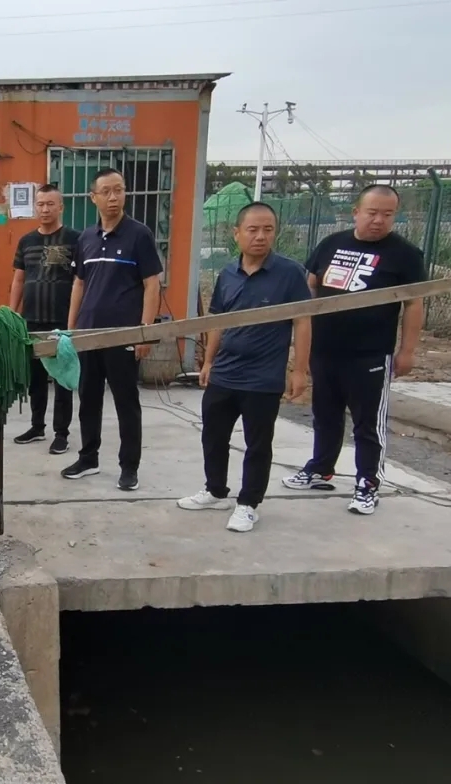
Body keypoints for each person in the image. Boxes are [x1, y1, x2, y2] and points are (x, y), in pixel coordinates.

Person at [282, 184, 427, 514]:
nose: (378, 220)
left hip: (370, 354)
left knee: (367, 422)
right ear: (356, 212)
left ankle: (368, 482)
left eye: (387, 214)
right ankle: (320, 468)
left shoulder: (404, 254)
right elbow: (310, 287)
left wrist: (407, 351)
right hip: (326, 348)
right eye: (372, 212)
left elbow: (414, 304)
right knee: (325, 414)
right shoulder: (332, 244)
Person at [177, 202, 312, 532]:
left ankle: (249, 503)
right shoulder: (227, 273)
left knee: (258, 443)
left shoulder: (290, 273)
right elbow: (217, 322)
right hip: (225, 372)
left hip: (263, 377)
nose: (260, 236)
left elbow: (303, 321)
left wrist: (299, 370)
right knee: (213, 435)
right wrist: (208, 361)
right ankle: (215, 490)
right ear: (236, 234)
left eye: (267, 229)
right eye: (252, 230)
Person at [62, 167, 162, 491]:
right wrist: (71, 329)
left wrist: (145, 331)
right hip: (89, 336)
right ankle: (88, 458)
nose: (113, 197)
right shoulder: (86, 239)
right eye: (106, 191)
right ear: (93, 197)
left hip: (124, 337)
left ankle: (129, 466)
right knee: (88, 398)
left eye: (118, 190)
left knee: (126, 402)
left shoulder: (139, 235)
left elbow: (152, 285)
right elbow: (79, 284)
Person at [9, 184, 81, 455]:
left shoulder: (75, 239)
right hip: (31, 322)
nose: (45, 209)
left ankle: (61, 433)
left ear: (61, 207)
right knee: (35, 379)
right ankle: (37, 426)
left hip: (61, 322)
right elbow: (18, 279)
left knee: (62, 378)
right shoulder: (26, 241)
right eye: (40, 204)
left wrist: (75, 323)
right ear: (35, 207)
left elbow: (80, 281)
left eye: (51, 204)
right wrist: (11, 313)